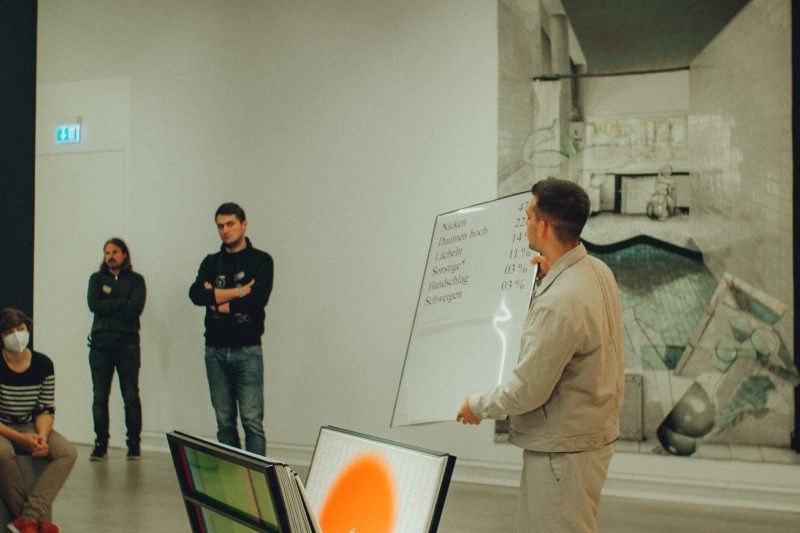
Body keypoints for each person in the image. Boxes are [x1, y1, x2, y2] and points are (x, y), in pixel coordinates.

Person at [456, 178, 624, 533]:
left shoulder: (559, 303)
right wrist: (546, 278)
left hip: (562, 452)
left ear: (544, 226)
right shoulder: (597, 271)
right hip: (586, 438)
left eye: (529, 216)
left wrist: (476, 406)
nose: (525, 222)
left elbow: (527, 391)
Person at [189, 202, 274, 455]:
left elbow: (256, 300)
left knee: (251, 421)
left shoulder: (261, 261)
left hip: (247, 350)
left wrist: (216, 300)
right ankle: (233, 476)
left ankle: (258, 476)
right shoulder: (211, 262)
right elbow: (196, 295)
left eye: (230, 224)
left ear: (244, 224)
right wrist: (238, 292)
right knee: (224, 423)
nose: (225, 230)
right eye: (220, 226)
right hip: (214, 351)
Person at [0, 308, 77, 533]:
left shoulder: (43, 364)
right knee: (2, 453)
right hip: (3, 427)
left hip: (30, 425)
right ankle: (29, 520)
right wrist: (21, 439)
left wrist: (42, 437)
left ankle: (28, 518)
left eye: (20, 329)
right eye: (9, 332)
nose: (16, 336)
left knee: (67, 452)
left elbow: (45, 408)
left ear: (28, 329)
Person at [86, 238, 146, 461]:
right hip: (100, 346)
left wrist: (108, 304)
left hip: (127, 346)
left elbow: (135, 309)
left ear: (124, 254)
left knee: (130, 396)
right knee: (100, 397)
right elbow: (93, 304)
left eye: (114, 252)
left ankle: (134, 445)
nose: (110, 256)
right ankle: (100, 445)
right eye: (107, 252)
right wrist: (121, 302)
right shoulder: (96, 279)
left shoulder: (136, 280)